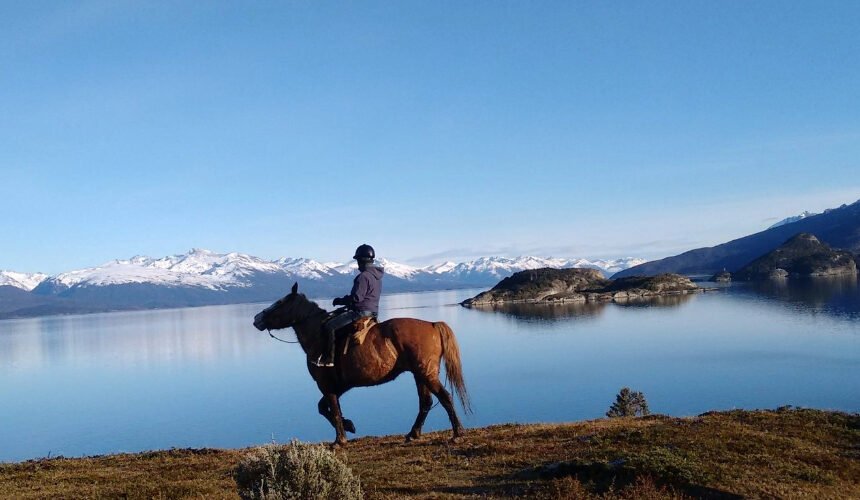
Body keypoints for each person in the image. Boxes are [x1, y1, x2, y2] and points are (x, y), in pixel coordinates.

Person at [314, 244, 384, 367]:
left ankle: (328, 359)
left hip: (360, 313)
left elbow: (357, 298)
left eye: (357, 260)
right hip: (373, 313)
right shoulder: (376, 277)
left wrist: (341, 301)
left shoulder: (363, 276)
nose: (357, 263)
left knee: (328, 327)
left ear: (362, 260)